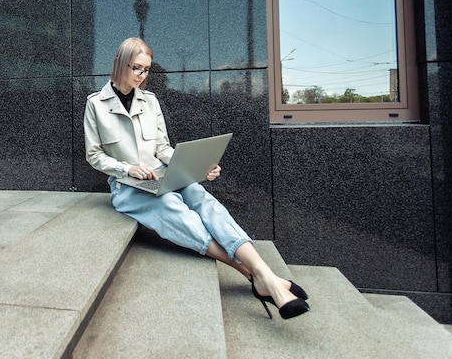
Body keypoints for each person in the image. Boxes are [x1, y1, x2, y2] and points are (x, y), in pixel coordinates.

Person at [83, 37, 309, 319]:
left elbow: (162, 149)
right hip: (127, 187)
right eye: (137, 68)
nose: (142, 76)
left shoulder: (150, 102)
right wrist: (127, 169)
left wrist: (196, 167)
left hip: (162, 174)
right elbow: (94, 156)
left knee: (203, 198)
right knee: (172, 208)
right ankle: (256, 276)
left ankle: (264, 274)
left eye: (147, 70)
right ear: (119, 64)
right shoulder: (96, 104)